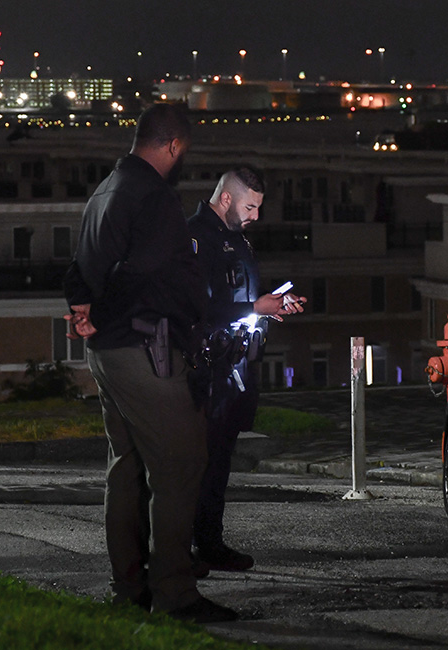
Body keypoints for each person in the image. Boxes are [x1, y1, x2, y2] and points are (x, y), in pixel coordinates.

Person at [62, 103, 238, 623]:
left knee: (127, 468)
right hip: (148, 350)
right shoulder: (154, 199)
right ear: (174, 146)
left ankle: (131, 586)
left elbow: (82, 270)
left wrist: (85, 309)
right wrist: (197, 321)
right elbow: (156, 279)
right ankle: (175, 593)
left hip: (108, 353)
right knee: (180, 466)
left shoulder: (106, 190)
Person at [188, 167, 304, 573]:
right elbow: (197, 309)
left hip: (235, 365)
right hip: (207, 370)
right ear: (226, 199)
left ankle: (209, 542)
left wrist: (272, 305)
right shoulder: (197, 238)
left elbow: (242, 296)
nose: (255, 215)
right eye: (249, 206)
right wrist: (256, 308)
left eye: (258, 207)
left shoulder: (236, 240)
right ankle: (189, 546)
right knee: (198, 462)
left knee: (219, 461)